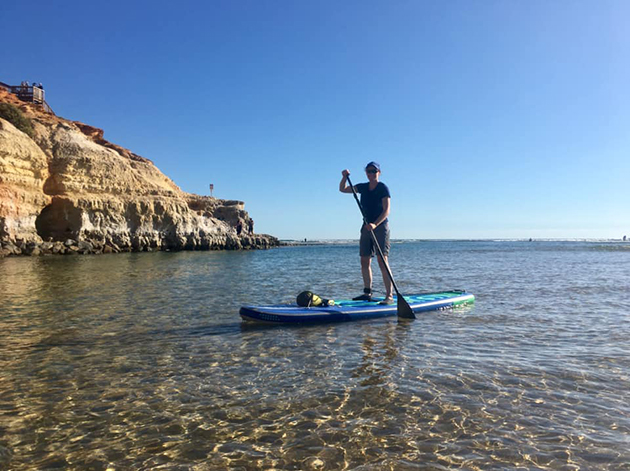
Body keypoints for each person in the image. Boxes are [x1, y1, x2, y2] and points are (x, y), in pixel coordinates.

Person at [339, 162, 393, 304]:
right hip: (366, 227)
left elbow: (387, 210)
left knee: (382, 261)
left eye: (373, 171)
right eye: (368, 171)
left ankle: (389, 296)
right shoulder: (363, 187)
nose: (371, 174)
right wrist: (344, 177)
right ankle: (367, 293)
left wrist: (375, 224)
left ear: (379, 172)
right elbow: (342, 189)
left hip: (380, 226)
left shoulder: (383, 188)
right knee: (364, 259)